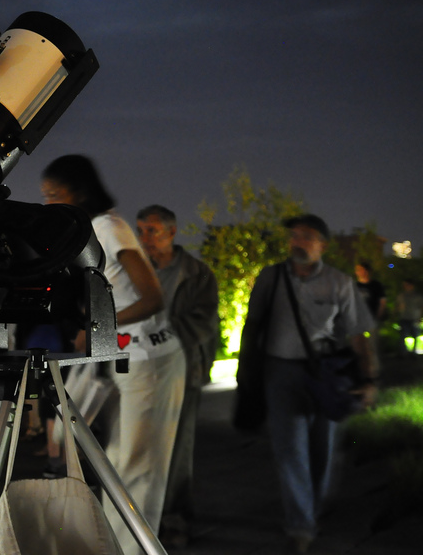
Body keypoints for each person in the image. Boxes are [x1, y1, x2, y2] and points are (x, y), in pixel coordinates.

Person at [41, 155, 177, 555]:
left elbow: (152, 296)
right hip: (124, 358)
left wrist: (99, 328)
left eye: (54, 195)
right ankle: (112, 545)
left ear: (79, 193)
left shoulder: (108, 227)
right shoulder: (91, 230)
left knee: (135, 467)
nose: (48, 204)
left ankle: (130, 548)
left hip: (149, 361)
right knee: (116, 460)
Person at [238, 214, 378, 552]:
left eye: (307, 236)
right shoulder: (270, 278)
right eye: (294, 235)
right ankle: (300, 525)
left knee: (322, 449)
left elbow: (359, 334)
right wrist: (247, 371)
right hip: (279, 372)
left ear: (323, 245)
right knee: (290, 451)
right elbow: (252, 324)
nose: (297, 242)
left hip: (327, 373)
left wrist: (369, 378)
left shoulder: (340, 283)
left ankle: (311, 509)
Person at [135, 204, 220, 548]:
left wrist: (155, 338)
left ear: (171, 232)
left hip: (182, 371)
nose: (144, 239)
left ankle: (175, 518)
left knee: (176, 450)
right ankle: (143, 514)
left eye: (152, 231)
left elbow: (202, 323)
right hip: (140, 373)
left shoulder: (197, 274)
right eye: (140, 230)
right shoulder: (134, 271)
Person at [395, 280, 423, 355]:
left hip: (414, 317)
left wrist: (420, 317)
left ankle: (413, 352)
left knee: (415, 335)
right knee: (403, 335)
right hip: (404, 317)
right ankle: (403, 352)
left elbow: (421, 306)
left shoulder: (417, 296)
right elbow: (397, 306)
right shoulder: (401, 295)